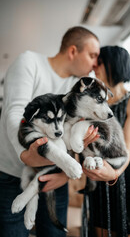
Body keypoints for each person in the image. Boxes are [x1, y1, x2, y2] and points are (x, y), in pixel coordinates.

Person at [0, 26, 100, 237]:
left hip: (54, 176)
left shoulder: (76, 87)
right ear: (73, 51)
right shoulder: (29, 62)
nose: (95, 64)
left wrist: (65, 173)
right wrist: (26, 154)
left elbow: (71, 131)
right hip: (11, 174)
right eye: (92, 55)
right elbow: (15, 112)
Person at [83, 46, 130, 237]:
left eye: (100, 62)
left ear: (114, 64)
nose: (94, 66)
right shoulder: (95, 104)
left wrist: (113, 173)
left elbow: (126, 150)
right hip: (99, 183)